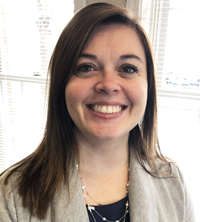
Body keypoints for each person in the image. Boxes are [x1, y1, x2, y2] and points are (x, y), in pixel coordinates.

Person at [0, 2, 195, 222]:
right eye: (86, 67)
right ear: (61, 84)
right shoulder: (11, 197)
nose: (108, 84)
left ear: (148, 85)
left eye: (128, 68)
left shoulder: (173, 182)